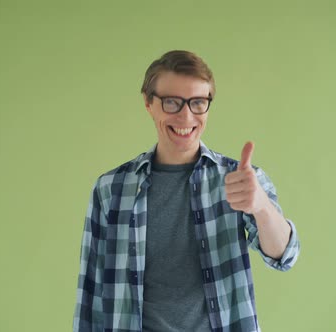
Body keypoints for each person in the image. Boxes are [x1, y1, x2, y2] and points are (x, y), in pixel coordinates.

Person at [73, 50, 300, 332]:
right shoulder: (111, 189)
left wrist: (262, 208)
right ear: (148, 103)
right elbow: (91, 292)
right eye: (171, 102)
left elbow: (285, 255)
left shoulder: (240, 180)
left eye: (198, 103)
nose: (186, 116)